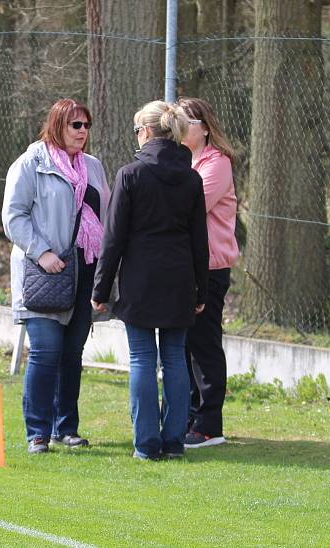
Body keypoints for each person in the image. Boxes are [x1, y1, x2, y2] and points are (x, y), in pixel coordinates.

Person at [92, 100, 209, 460]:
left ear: (145, 132)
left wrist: (101, 287)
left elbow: (113, 238)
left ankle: (146, 443)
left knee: (143, 358)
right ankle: (174, 441)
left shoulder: (130, 175)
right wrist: (200, 288)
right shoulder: (190, 178)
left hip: (140, 278)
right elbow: (199, 240)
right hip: (179, 278)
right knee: (174, 358)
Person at [2, 98, 110, 454]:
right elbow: (14, 216)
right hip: (45, 270)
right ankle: (38, 432)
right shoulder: (31, 163)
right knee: (46, 352)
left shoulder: (93, 167)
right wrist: (42, 252)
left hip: (85, 270)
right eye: (75, 125)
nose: (82, 132)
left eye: (86, 126)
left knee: (71, 354)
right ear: (57, 125)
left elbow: (104, 214)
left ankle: (67, 427)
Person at [176, 96, 239, 448]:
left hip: (211, 268)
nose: (181, 128)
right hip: (184, 267)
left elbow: (191, 205)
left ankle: (208, 424)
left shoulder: (217, 163)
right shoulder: (183, 161)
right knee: (182, 346)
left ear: (204, 128)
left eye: (187, 121)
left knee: (203, 344)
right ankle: (184, 416)